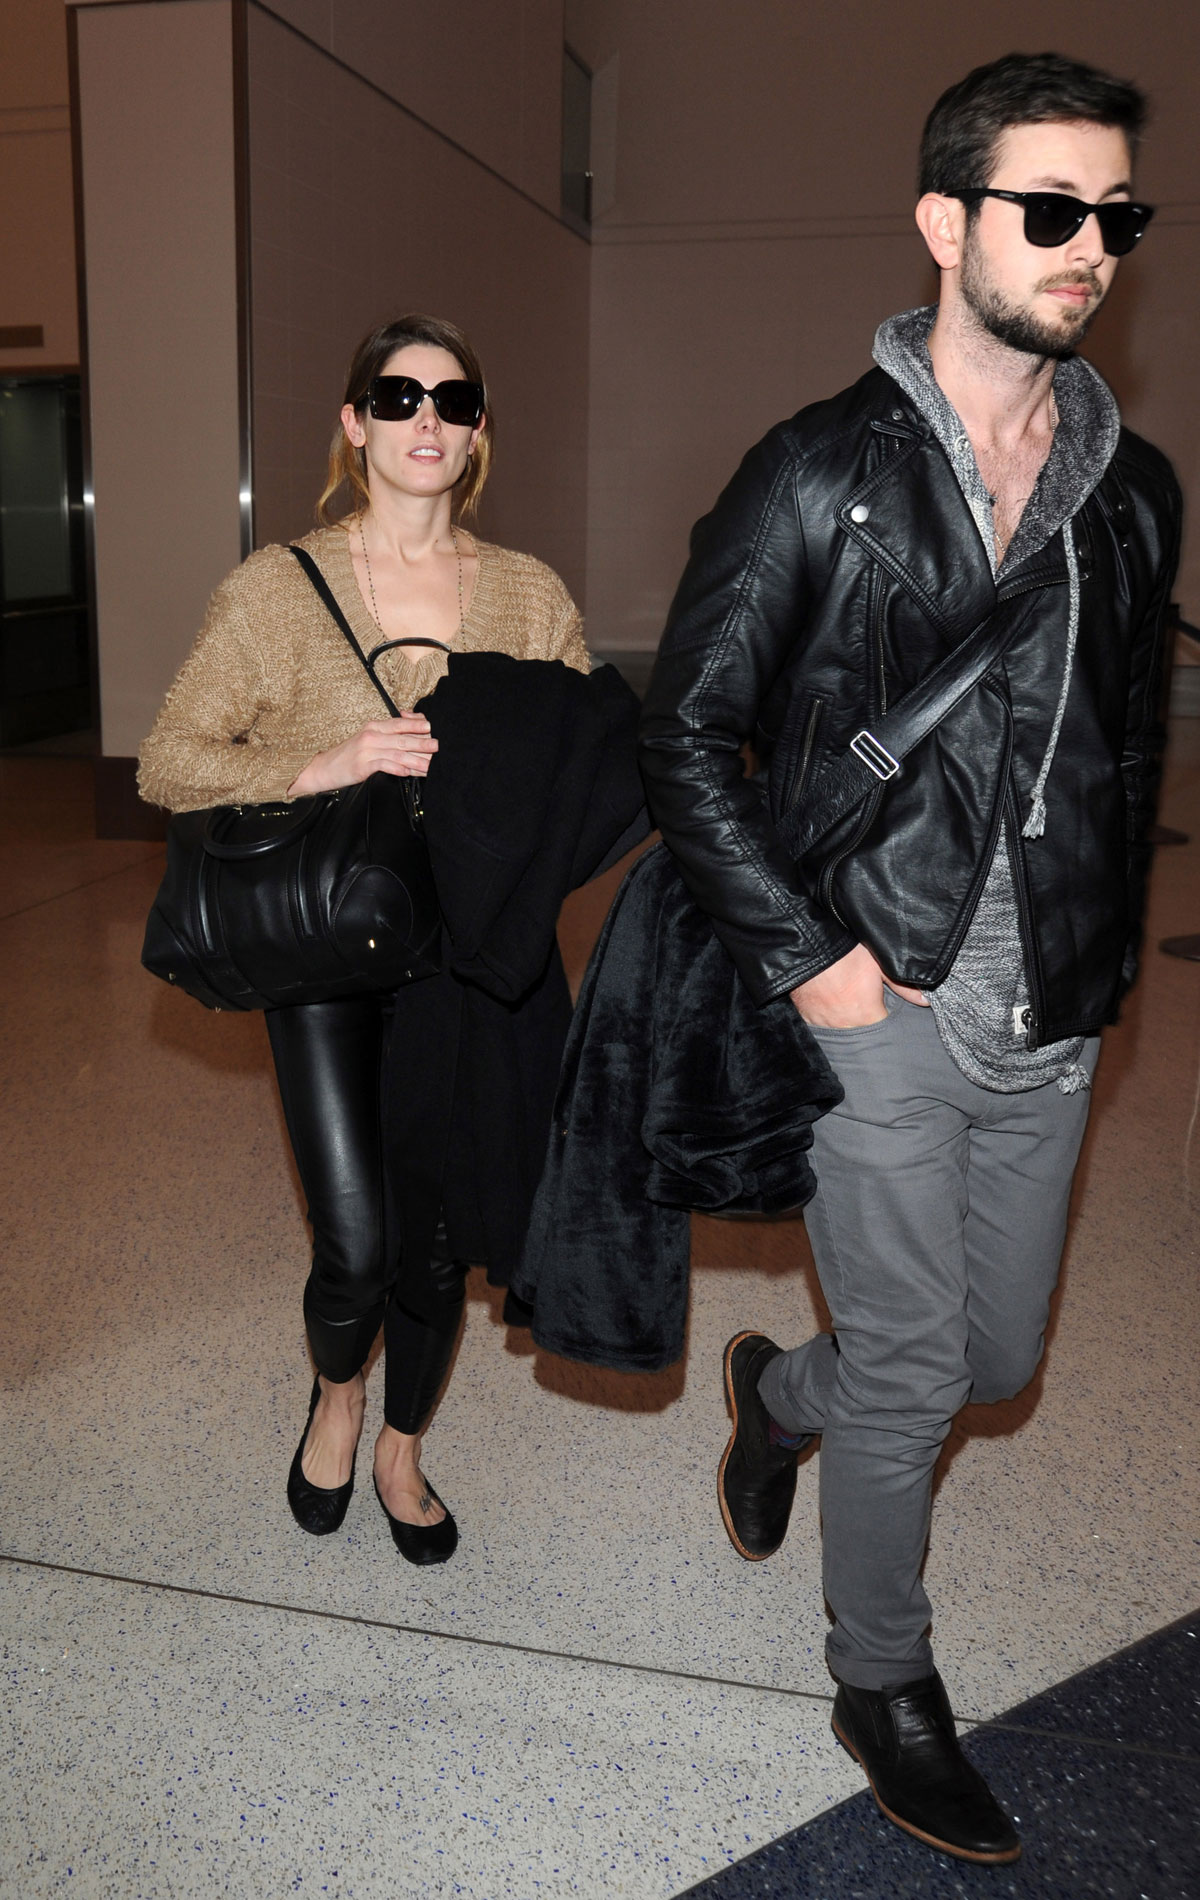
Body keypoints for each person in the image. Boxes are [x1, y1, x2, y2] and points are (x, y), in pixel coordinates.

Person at [638, 53, 1180, 1864]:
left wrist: (1101, 975)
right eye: (1052, 207)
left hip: (1053, 1012)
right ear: (947, 224)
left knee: (995, 1354)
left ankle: (778, 1397)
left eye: (1119, 213)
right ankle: (884, 1681)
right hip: (878, 1000)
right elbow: (683, 735)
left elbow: (1119, 755)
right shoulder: (819, 473)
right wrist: (817, 971)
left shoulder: (1134, 492)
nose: (1090, 245)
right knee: (923, 1374)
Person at [139, 314, 638, 1566]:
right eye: (399, 397)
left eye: (453, 402)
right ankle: (337, 1391)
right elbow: (167, 761)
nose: (428, 421)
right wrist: (332, 759)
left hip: (473, 963)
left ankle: (403, 1445)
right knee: (356, 1243)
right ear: (353, 423)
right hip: (332, 957)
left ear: (477, 433)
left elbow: (584, 774)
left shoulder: (528, 594)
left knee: (441, 1237)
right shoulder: (273, 589)